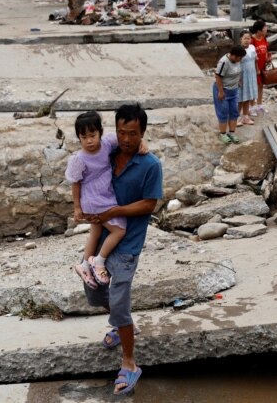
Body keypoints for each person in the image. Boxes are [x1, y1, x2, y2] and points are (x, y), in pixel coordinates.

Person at [82, 103, 163, 396]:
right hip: (99, 235)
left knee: (119, 301)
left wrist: (115, 210)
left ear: (142, 133)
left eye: (133, 134)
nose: (127, 139)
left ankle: (129, 363)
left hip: (127, 243)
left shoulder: (150, 164)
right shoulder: (107, 152)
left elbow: (149, 204)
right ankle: (120, 325)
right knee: (93, 290)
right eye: (122, 133)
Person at [66, 112, 128, 288]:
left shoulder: (107, 144)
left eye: (92, 135)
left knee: (95, 232)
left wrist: (143, 144)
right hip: (94, 200)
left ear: (100, 132)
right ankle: (99, 260)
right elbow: (75, 184)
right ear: (79, 138)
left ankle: (85, 265)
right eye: (84, 137)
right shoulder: (79, 159)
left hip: (104, 194)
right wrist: (77, 207)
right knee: (119, 230)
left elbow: (124, 138)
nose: (89, 141)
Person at [213, 44, 246, 145]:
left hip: (234, 90)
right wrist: (221, 91)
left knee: (234, 111)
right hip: (224, 90)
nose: (240, 60)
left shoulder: (238, 61)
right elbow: (218, 76)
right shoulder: (224, 62)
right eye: (239, 58)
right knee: (223, 111)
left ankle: (232, 133)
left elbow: (238, 71)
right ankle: (223, 133)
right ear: (233, 56)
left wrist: (239, 81)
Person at [250, 20, 271, 115]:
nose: (266, 29)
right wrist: (256, 68)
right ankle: (252, 106)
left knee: (261, 85)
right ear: (258, 30)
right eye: (264, 28)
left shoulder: (264, 38)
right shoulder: (252, 40)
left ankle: (259, 104)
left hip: (263, 66)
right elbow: (252, 56)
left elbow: (265, 50)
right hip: (254, 67)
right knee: (253, 86)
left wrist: (268, 58)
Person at [237, 30, 258, 126]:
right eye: (245, 38)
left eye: (248, 38)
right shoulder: (238, 50)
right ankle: (236, 117)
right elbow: (235, 65)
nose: (247, 40)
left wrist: (257, 70)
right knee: (240, 98)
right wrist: (238, 78)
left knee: (248, 97)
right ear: (241, 39)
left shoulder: (252, 48)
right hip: (242, 75)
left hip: (251, 75)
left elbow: (255, 60)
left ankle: (245, 116)